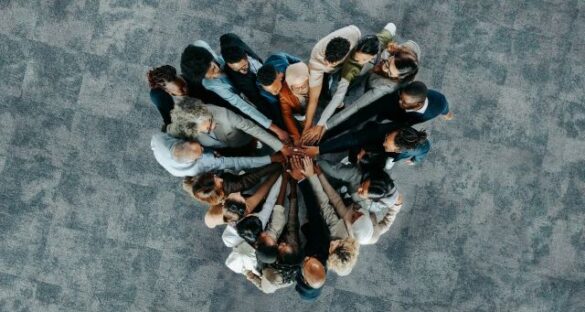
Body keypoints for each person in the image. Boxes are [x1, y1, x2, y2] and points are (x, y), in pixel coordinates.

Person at [307, 40, 421, 143]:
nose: (384, 68)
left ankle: (324, 137)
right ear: (394, 53)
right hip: (372, 73)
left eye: (390, 72)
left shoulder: (386, 87)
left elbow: (355, 107)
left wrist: (325, 126)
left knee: (355, 118)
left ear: (399, 78)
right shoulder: (406, 48)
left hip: (376, 90)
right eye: (387, 63)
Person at [301, 23, 398, 143]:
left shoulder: (360, 37)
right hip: (351, 72)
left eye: (364, 59)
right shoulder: (350, 67)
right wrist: (318, 124)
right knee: (344, 86)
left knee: (389, 30)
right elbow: (335, 96)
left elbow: (390, 28)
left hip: (375, 51)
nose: (360, 62)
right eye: (358, 59)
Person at [180, 40, 290, 143]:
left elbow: (200, 43)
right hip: (246, 98)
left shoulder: (221, 57)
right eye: (210, 76)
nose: (216, 73)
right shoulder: (211, 85)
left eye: (213, 68)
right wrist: (276, 129)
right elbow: (243, 106)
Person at [295, 157, 362, 275]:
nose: (332, 244)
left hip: (313, 227)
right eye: (339, 244)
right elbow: (325, 206)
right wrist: (312, 176)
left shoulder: (325, 258)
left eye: (332, 249)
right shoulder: (343, 234)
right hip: (318, 215)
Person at [323, 81, 452, 139]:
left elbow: (444, 107)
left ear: (418, 104)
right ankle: (326, 134)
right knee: (355, 119)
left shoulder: (438, 103)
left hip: (398, 121)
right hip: (385, 108)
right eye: (401, 97)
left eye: (405, 102)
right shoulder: (398, 96)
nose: (400, 102)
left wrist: (447, 114)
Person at [166, 97, 289, 156]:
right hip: (221, 151)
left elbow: (252, 128)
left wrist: (280, 147)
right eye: (208, 128)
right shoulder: (181, 129)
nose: (213, 125)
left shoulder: (223, 114)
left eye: (211, 120)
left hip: (242, 140)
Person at [245, 177, 301, 293]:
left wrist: (252, 277)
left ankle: (253, 277)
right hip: (280, 274)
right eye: (285, 244)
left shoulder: (267, 271)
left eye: (281, 246)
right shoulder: (293, 243)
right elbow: (292, 219)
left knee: (265, 289)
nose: (282, 243)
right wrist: (293, 186)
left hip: (269, 280)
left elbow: (261, 258)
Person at [303, 25, 362, 133]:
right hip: (318, 67)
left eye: (332, 63)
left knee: (338, 89)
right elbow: (313, 99)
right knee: (316, 92)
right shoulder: (316, 59)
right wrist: (307, 124)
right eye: (326, 60)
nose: (327, 65)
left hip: (346, 64)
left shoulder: (355, 36)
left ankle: (340, 105)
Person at [288, 156, 331, 301]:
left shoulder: (311, 271)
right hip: (314, 225)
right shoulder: (322, 246)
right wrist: (300, 179)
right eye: (310, 261)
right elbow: (314, 211)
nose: (307, 259)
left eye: (306, 263)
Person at [222, 175, 283, 275]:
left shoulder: (228, 238)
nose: (266, 234)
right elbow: (271, 202)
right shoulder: (261, 225)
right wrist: (281, 177)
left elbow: (270, 201)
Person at [150, 132, 280, 178]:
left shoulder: (158, 140)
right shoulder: (203, 162)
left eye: (199, 146)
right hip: (209, 165)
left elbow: (153, 144)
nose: (202, 147)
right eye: (201, 151)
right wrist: (270, 158)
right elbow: (237, 162)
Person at [301, 123, 431, 166]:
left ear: (397, 151)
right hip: (373, 134)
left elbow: (423, 154)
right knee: (359, 143)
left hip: (391, 156)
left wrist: (415, 161)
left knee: (384, 161)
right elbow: (353, 139)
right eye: (387, 138)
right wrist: (320, 149)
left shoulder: (423, 147)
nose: (384, 141)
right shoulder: (388, 130)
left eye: (387, 142)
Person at [146, 65, 230, 128]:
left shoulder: (193, 81)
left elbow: (217, 100)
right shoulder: (161, 98)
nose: (185, 89)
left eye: (183, 84)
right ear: (170, 93)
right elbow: (170, 123)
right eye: (181, 90)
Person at [184, 163, 282, 206]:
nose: (219, 178)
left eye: (213, 176)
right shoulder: (236, 185)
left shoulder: (204, 192)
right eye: (217, 180)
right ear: (217, 191)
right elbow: (258, 174)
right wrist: (278, 163)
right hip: (243, 182)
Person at [276, 62, 311, 145]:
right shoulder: (283, 93)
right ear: (290, 86)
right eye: (297, 87)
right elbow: (287, 115)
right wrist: (296, 137)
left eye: (304, 86)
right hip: (298, 111)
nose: (301, 90)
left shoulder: (314, 80)